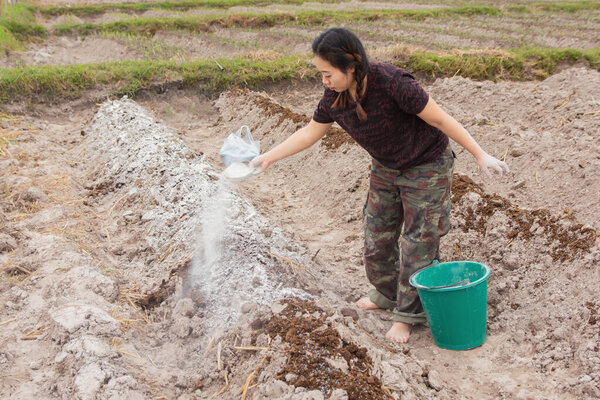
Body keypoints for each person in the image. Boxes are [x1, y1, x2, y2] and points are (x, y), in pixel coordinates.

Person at [250, 28, 509, 344]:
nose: (324, 81)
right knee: (377, 236)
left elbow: (440, 119)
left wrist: (480, 154)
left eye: (328, 73)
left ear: (352, 66)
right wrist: (268, 157)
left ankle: (408, 316)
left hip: (426, 164)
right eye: (320, 74)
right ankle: (387, 295)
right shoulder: (334, 98)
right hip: (386, 166)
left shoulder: (393, 83)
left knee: (418, 242)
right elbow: (310, 132)